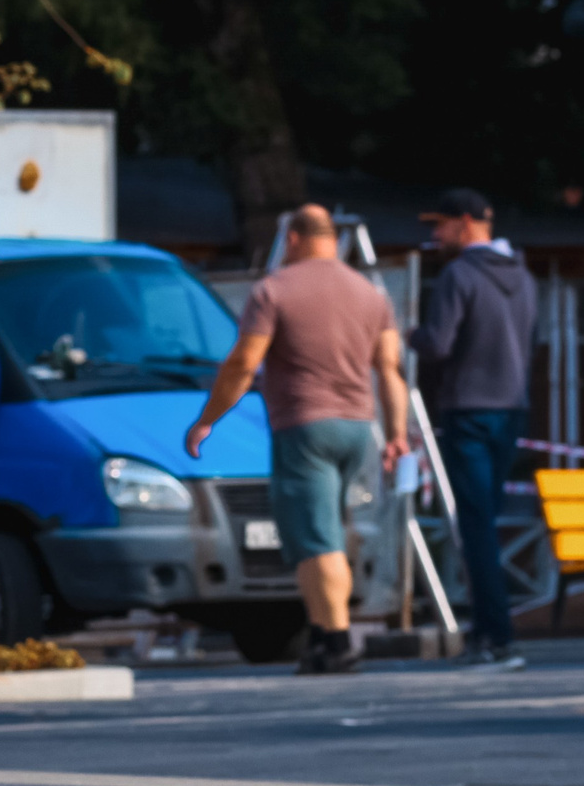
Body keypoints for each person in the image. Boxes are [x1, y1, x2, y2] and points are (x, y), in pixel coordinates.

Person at [187, 204, 407, 675]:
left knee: (316, 539)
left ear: (291, 239)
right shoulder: (371, 294)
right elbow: (389, 371)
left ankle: (338, 641)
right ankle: (325, 635)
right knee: (327, 534)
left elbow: (245, 362)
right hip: (355, 427)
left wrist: (208, 420)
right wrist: (396, 435)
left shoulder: (274, 290)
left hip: (305, 425)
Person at [414, 187, 539, 666]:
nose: (435, 234)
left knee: (476, 526)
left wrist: (405, 333)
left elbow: (438, 344)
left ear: (465, 224)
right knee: (487, 519)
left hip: (468, 406)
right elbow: (534, 339)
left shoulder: (459, 275)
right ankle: (492, 629)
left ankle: (495, 633)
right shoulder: (524, 276)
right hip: (511, 405)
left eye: (440, 225)